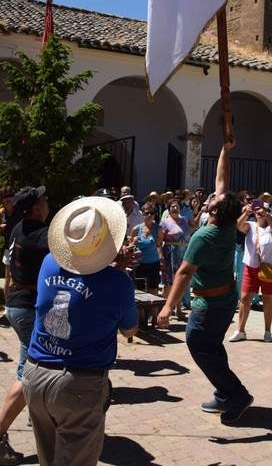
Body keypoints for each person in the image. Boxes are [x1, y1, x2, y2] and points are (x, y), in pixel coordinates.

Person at [21, 195, 138, 466]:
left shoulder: (49, 261)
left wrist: (109, 265)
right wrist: (118, 270)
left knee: (48, 459)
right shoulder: (117, 282)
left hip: (35, 373)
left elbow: (76, 287)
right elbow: (129, 328)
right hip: (78, 381)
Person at [157, 140, 253, 425]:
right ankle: (224, 393)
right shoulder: (226, 223)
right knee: (212, 346)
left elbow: (184, 273)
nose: (213, 195)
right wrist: (225, 148)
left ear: (214, 210)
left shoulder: (204, 236)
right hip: (224, 300)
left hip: (210, 303)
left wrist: (167, 307)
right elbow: (222, 182)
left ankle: (235, 394)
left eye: (214, 199)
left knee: (198, 342)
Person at [0, 187, 49, 466]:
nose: (46, 201)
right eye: (42, 199)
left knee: (28, 368)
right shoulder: (40, 237)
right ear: (34, 209)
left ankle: (38, 415)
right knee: (27, 374)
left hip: (18, 304)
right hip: (28, 308)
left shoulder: (19, 227)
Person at [229, 201, 272, 342]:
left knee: (267, 299)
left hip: (269, 269)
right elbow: (237, 226)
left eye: (264, 210)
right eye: (258, 210)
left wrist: (268, 215)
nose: (260, 212)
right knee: (245, 298)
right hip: (251, 267)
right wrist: (246, 212)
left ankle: (267, 331)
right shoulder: (250, 225)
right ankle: (240, 330)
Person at [130, 202, 164, 324]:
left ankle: (154, 318)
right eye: (146, 213)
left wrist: (161, 259)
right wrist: (133, 243)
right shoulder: (136, 229)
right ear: (142, 214)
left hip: (153, 263)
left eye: (152, 213)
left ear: (155, 215)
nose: (149, 215)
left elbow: (159, 245)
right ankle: (142, 319)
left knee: (153, 290)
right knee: (140, 291)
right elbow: (131, 246)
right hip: (140, 264)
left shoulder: (158, 229)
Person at [160, 199, 194, 317]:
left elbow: (193, 228)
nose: (175, 208)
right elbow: (160, 241)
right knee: (169, 283)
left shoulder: (184, 220)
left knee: (180, 282)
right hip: (170, 254)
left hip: (183, 253)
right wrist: (161, 256)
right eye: (172, 206)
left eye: (177, 206)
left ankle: (179, 308)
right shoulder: (164, 222)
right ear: (168, 209)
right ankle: (165, 308)